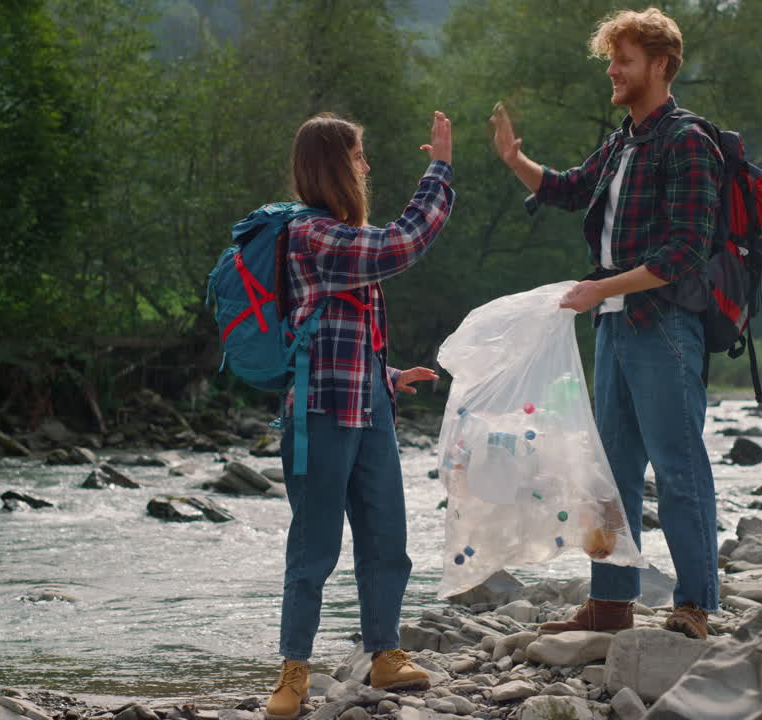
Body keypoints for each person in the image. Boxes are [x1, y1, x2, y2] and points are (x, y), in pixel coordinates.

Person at [489, 7, 722, 640]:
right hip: (616, 328)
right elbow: (568, 188)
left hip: (666, 327)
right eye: (611, 59)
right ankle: (612, 605)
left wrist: (600, 289)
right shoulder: (623, 140)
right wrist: (516, 158)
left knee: (679, 471)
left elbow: (683, 255)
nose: (613, 71)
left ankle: (695, 604)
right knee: (610, 476)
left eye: (623, 60)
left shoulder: (688, 141)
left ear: (661, 66)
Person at [265, 110, 455, 720]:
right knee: (314, 547)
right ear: (333, 165)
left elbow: (341, 327)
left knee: (386, 537)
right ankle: (294, 669)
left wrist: (391, 374)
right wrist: (439, 172)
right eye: (358, 157)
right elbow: (402, 244)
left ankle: (385, 654)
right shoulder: (312, 234)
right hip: (320, 409)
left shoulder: (338, 237)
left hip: (368, 399)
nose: (366, 168)